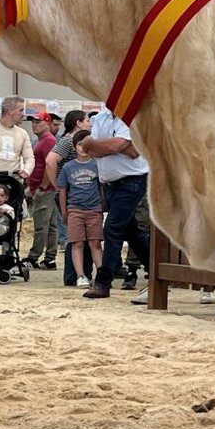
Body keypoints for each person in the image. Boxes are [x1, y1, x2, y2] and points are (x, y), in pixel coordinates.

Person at [80, 106, 150, 299]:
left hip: (132, 179)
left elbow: (121, 148)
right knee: (130, 231)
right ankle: (155, 270)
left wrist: (96, 144)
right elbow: (90, 149)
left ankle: (103, 281)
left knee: (112, 227)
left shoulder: (131, 115)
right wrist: (103, 145)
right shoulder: (101, 117)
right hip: (110, 182)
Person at [44, 110, 93, 285]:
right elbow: (51, 160)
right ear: (78, 123)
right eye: (87, 120)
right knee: (76, 235)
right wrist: (57, 185)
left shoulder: (78, 140)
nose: (90, 123)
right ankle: (73, 275)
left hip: (78, 194)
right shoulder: (67, 141)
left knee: (83, 236)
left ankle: (82, 274)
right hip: (71, 195)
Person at [57, 131, 104, 289]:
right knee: (77, 243)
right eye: (79, 144)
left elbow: (101, 187)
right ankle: (80, 275)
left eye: (86, 144)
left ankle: (102, 275)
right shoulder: (68, 167)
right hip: (75, 210)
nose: (83, 148)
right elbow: (63, 190)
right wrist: (64, 211)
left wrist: (101, 207)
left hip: (94, 210)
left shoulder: (97, 164)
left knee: (95, 243)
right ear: (74, 146)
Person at [22, 111, 59, 270]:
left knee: (41, 225)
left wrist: (43, 186)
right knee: (50, 225)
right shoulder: (42, 141)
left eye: (38, 122)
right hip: (42, 187)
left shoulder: (49, 141)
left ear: (47, 124)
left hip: (44, 188)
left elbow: (49, 165)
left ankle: (34, 256)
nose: (34, 124)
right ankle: (50, 258)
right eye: (33, 122)